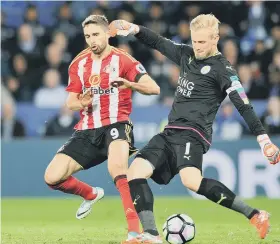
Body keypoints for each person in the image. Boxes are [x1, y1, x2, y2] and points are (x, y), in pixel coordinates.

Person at [109, 14, 280, 243]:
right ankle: (150, 234)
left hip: (194, 134)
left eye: (202, 42)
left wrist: (264, 140)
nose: (197, 47)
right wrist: (132, 28)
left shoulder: (224, 70)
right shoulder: (186, 54)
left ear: (215, 38)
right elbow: (158, 42)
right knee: (135, 172)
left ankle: (255, 215)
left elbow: (244, 106)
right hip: (170, 131)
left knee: (191, 181)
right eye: (194, 41)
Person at [44, 15, 160, 242]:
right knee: (51, 177)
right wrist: (82, 103)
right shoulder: (78, 64)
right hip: (87, 129)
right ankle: (91, 194)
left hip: (117, 123)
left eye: (96, 34)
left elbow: (153, 88)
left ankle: (134, 232)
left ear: (108, 33)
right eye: (88, 36)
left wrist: (130, 84)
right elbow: (70, 102)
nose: (92, 40)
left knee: (117, 167)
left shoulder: (123, 60)